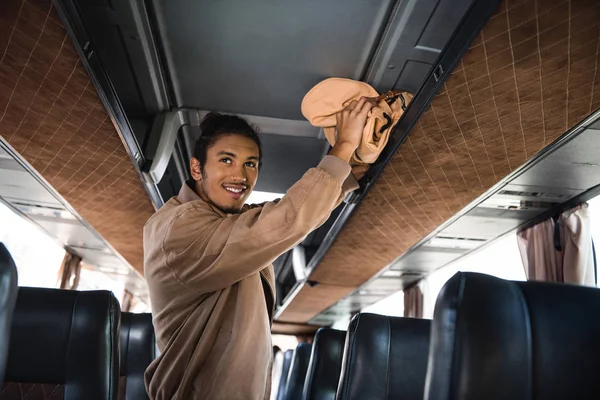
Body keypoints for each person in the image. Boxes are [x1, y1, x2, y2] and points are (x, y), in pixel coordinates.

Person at [143, 97, 375, 399]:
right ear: (197, 169)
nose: (240, 177)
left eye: (250, 164)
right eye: (226, 160)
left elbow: (286, 213)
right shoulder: (180, 227)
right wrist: (343, 146)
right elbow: (288, 219)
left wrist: (352, 168)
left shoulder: (226, 219)